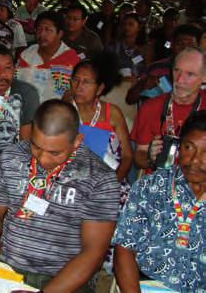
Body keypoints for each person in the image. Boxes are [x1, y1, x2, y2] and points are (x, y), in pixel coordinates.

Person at [0, 100, 120, 292]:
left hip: (63, 279)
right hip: (5, 268)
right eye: (36, 146)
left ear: (77, 141)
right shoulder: (11, 157)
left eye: (54, 152)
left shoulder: (99, 178)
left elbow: (93, 253)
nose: (42, 158)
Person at [113, 110, 206, 293]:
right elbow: (125, 249)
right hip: (146, 286)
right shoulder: (152, 186)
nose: (195, 160)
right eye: (188, 147)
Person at [131, 47, 206, 170]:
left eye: (190, 74)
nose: (179, 80)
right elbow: (139, 157)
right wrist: (150, 157)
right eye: (177, 71)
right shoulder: (151, 107)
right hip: (159, 183)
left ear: (204, 77)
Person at [69, 54, 132, 182]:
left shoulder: (112, 113)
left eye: (86, 82)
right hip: (71, 180)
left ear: (99, 89)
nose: (79, 87)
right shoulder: (63, 111)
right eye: (76, 80)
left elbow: (127, 156)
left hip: (108, 180)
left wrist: (113, 185)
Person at [126, 24, 202, 104]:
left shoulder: (202, 71)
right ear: (172, 45)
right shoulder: (156, 68)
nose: (185, 49)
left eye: (190, 45)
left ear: (198, 46)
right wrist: (142, 84)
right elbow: (130, 100)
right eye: (180, 44)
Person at [17, 10, 80, 102]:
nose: (42, 34)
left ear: (60, 34)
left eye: (48, 30)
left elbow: (75, 91)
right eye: (39, 29)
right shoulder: (27, 55)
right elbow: (16, 85)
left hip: (57, 112)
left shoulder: (71, 59)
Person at [107, 12, 147, 78]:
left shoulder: (145, 48)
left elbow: (148, 69)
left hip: (137, 84)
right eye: (124, 24)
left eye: (131, 24)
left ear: (139, 27)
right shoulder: (114, 45)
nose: (126, 27)